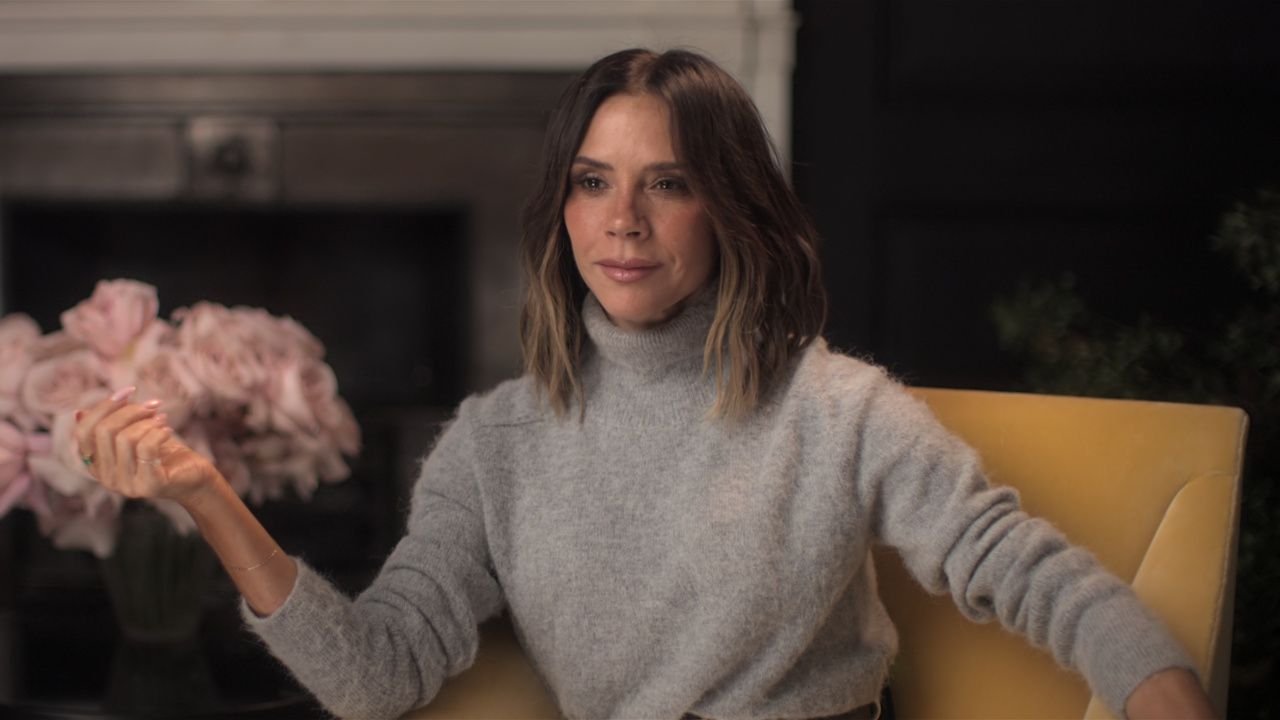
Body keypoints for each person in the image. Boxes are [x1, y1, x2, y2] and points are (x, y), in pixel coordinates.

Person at [75, 48, 1216, 720]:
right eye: (592, 182)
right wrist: (207, 498)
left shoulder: (838, 411)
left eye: (666, 183)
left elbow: (1023, 570)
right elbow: (375, 677)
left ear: (730, 209)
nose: (621, 221)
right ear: (561, 210)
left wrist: (1158, 686)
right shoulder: (495, 442)